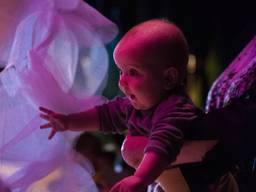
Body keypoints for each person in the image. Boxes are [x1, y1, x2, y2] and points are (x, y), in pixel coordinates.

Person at [39, 19, 203, 191]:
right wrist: (69, 122)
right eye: (121, 72)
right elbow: (105, 115)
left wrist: (139, 178)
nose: (122, 82)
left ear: (168, 78)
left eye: (133, 72)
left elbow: (162, 147)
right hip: (163, 179)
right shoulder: (136, 107)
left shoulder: (176, 110)